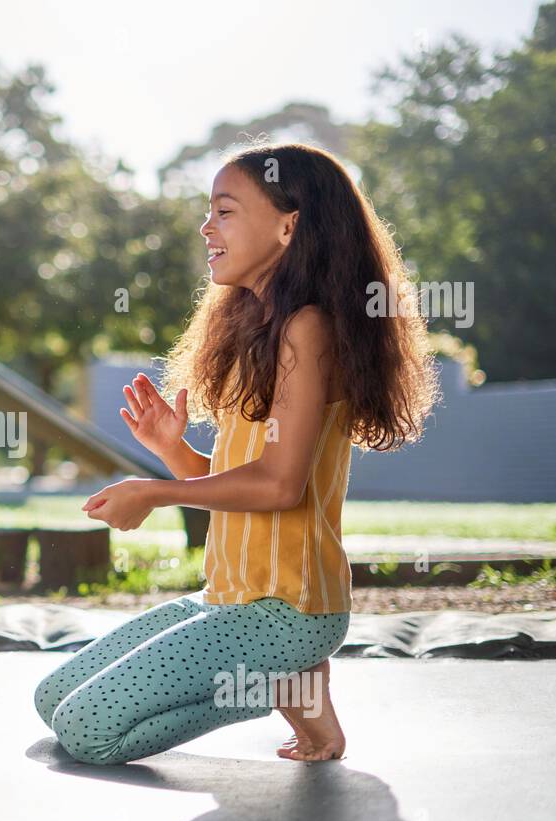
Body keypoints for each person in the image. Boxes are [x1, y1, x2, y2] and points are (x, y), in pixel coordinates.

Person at [35, 143, 438, 765]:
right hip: (231, 596)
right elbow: (240, 487)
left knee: (87, 729)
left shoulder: (310, 329)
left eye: (224, 211)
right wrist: (173, 453)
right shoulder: (266, 328)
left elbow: (280, 488)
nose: (206, 227)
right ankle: (304, 706)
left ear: (288, 224)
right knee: (52, 698)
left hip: (286, 611)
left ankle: (284, 679)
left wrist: (157, 493)